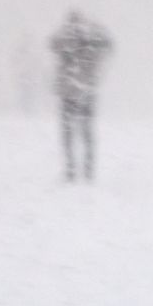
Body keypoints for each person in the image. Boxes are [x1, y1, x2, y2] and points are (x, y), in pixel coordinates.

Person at [50, 11, 112, 182]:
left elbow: (52, 44)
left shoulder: (65, 41)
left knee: (69, 134)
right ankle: (88, 170)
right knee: (86, 133)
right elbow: (108, 47)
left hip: (69, 93)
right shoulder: (93, 42)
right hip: (86, 92)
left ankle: (71, 170)